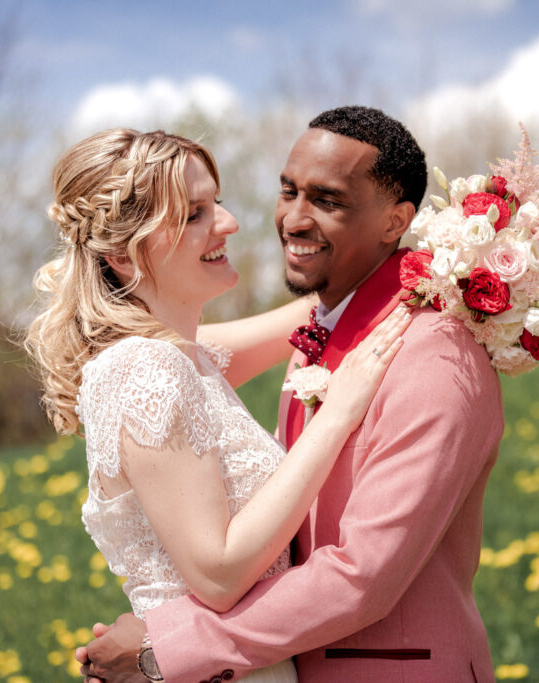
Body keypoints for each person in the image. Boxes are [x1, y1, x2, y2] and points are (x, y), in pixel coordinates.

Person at [79, 106, 505, 682]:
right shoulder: (303, 341)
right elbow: (149, 361)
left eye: (327, 200)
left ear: (395, 220)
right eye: (288, 192)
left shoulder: (434, 355)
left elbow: (363, 575)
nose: (291, 219)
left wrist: (165, 647)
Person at [24, 127, 411, 683]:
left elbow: (318, 313)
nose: (227, 223)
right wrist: (340, 412)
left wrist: (449, 259)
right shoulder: (145, 369)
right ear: (123, 256)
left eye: (218, 203)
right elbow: (219, 575)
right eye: (194, 213)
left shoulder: (187, 357)